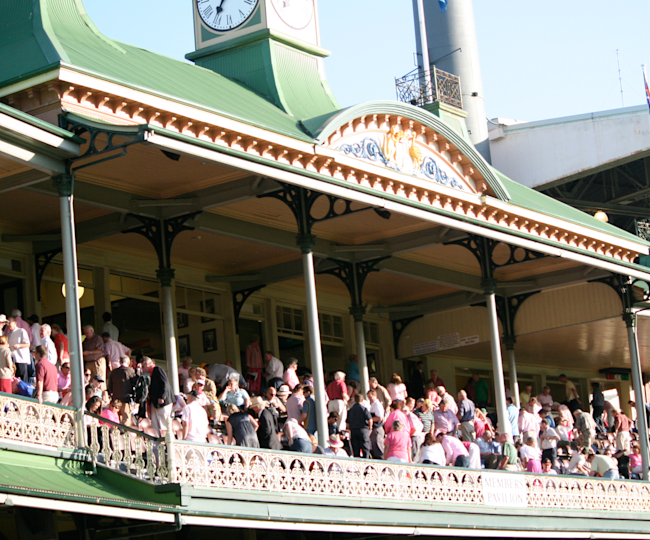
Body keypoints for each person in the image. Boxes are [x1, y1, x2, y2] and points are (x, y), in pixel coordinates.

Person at [144, 357, 174, 433]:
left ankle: (167, 441)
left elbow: (165, 383)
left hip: (162, 401)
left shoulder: (157, 369)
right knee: (155, 422)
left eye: (143, 366)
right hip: (155, 402)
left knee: (163, 422)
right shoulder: (151, 373)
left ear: (147, 364)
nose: (143, 369)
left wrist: (162, 396)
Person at [107, 356, 136, 424]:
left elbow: (110, 387)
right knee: (126, 419)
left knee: (115, 418)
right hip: (126, 399)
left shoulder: (113, 372)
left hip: (115, 399)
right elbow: (135, 384)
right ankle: (124, 433)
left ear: (120, 362)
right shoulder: (130, 371)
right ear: (128, 362)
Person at [347, 393, 373, 458]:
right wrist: (370, 428)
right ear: (362, 400)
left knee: (356, 450)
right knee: (365, 449)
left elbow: (347, 423)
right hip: (363, 430)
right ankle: (366, 463)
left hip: (354, 431)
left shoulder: (350, 410)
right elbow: (370, 420)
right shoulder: (364, 409)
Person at [6, 317, 30, 382]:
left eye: (9, 323)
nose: (8, 325)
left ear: (15, 323)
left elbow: (27, 344)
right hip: (12, 359)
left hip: (21, 359)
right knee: (15, 380)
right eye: (7, 323)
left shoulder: (21, 331)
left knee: (23, 379)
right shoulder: (8, 335)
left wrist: (19, 345)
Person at [367, 389, 385, 459]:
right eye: (368, 397)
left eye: (371, 397)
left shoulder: (377, 405)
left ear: (375, 395)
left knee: (378, 446)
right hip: (374, 429)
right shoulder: (373, 405)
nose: (370, 399)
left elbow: (380, 417)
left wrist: (370, 420)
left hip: (377, 428)